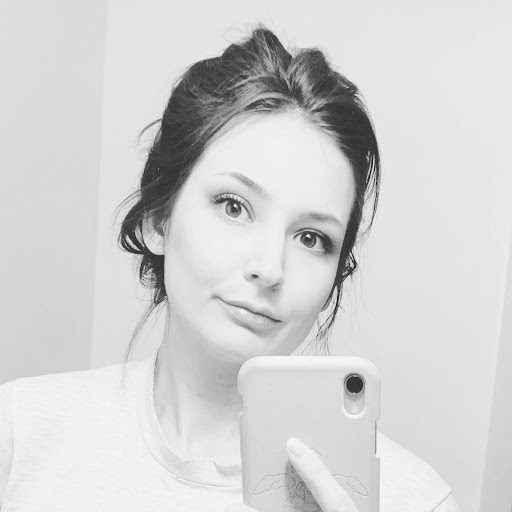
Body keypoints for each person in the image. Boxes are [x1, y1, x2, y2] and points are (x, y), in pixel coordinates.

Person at [0, 25, 459, 512]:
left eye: (311, 238)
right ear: (158, 217)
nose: (270, 268)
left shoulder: (418, 500)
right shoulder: (20, 432)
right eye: (233, 206)